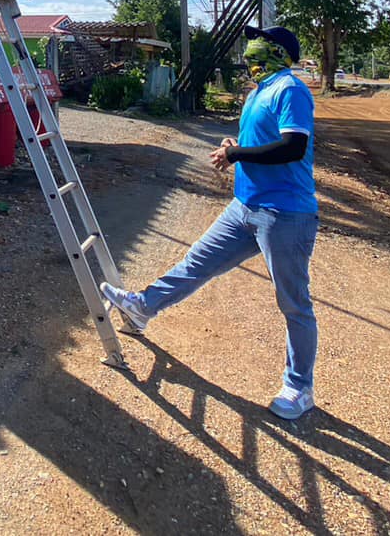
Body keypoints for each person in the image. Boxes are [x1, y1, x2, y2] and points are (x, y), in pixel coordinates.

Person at [100, 25, 319, 420]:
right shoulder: (258, 91)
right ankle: (143, 307)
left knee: (293, 304)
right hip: (245, 206)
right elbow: (258, 142)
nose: (250, 49)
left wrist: (238, 157)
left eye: (259, 42)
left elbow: (293, 146)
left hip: (285, 213)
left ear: (277, 51)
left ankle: (300, 387)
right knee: (196, 264)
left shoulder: (291, 89)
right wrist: (232, 149)